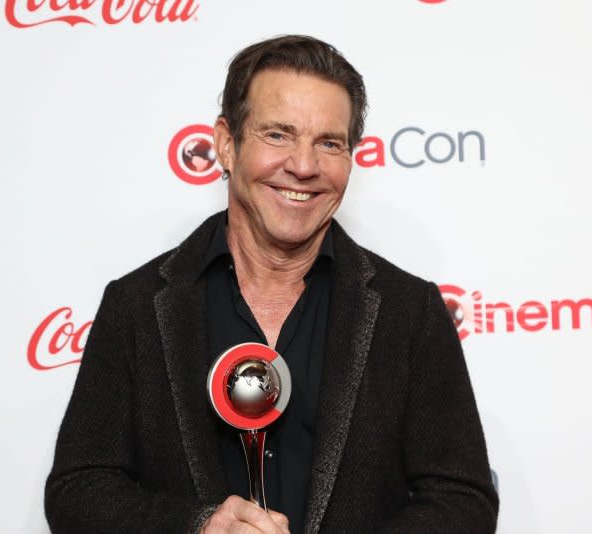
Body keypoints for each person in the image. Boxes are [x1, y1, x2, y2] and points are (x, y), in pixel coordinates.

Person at [45, 35, 499, 534]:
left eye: (329, 142)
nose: (304, 167)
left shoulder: (409, 311)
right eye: (278, 135)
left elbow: (463, 501)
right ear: (225, 143)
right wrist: (198, 527)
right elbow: (77, 493)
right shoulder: (136, 305)